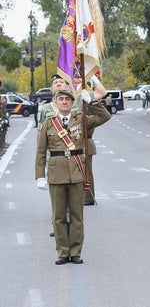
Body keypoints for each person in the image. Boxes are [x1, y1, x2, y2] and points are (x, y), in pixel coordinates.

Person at [35, 89, 111, 265]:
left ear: (71, 102)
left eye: (67, 99)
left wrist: (91, 102)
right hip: (56, 173)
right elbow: (40, 152)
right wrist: (39, 175)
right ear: (56, 103)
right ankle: (63, 252)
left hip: (77, 173)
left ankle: (75, 251)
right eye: (60, 99)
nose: (64, 102)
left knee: (77, 215)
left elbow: (104, 117)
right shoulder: (48, 123)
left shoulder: (81, 119)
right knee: (59, 216)